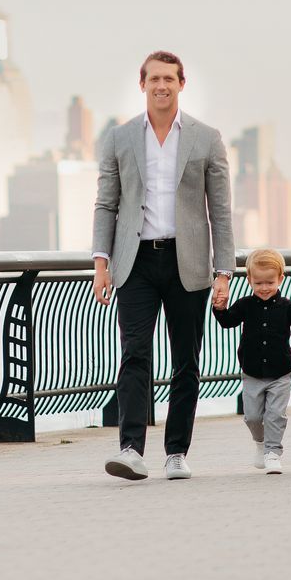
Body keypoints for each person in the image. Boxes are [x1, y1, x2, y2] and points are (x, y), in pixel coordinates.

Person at [92, 50, 235, 480]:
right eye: (154, 79)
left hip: (187, 262)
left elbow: (221, 211)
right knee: (135, 353)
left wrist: (224, 271)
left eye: (169, 79)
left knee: (186, 361)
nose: (161, 86)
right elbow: (106, 205)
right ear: (142, 84)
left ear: (181, 84)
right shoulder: (118, 139)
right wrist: (102, 262)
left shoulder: (206, 138)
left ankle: (176, 452)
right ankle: (131, 448)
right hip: (134, 263)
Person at [211, 247, 291, 475]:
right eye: (258, 283)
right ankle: (260, 443)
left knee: (275, 415)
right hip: (251, 371)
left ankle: (273, 452)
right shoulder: (245, 305)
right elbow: (228, 321)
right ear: (249, 279)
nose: (264, 288)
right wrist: (219, 309)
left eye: (269, 283)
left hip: (281, 371)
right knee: (252, 416)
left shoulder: (288, 307)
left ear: (280, 278)